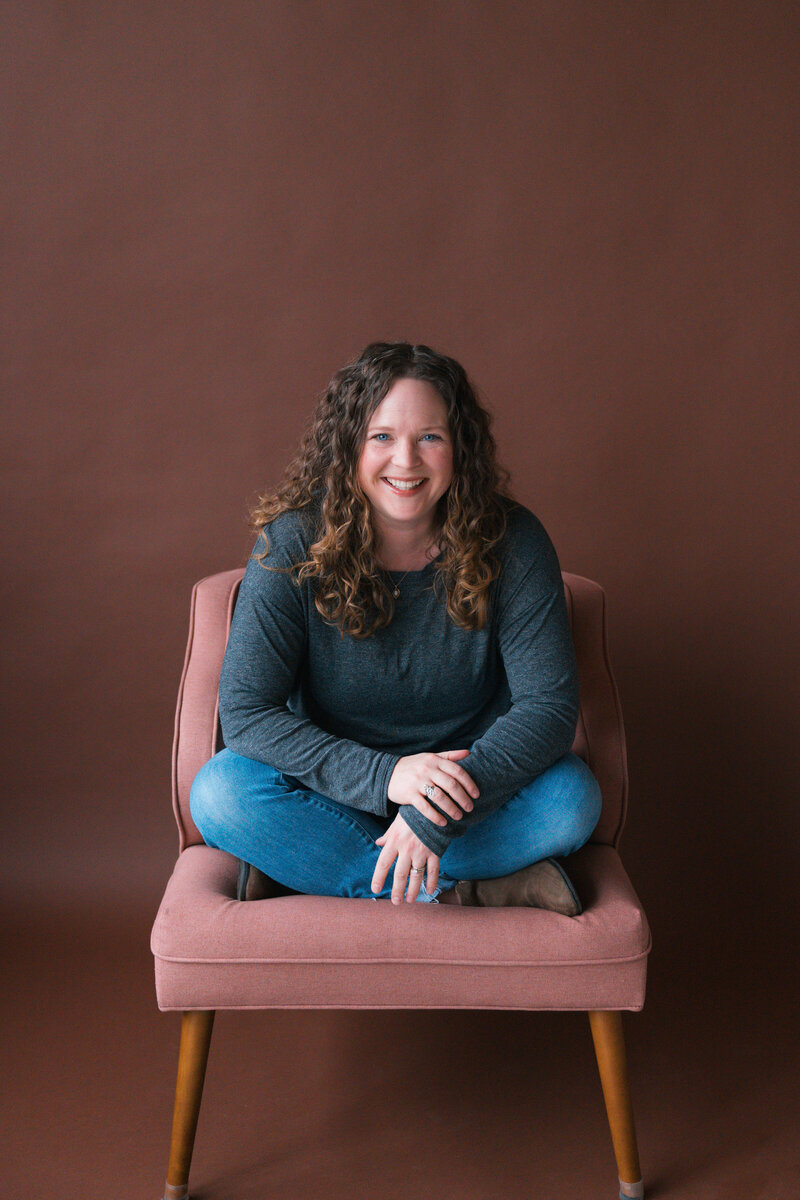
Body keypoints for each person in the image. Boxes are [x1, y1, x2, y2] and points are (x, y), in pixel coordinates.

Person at [189, 341, 602, 912]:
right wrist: (387, 776)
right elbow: (244, 711)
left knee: (570, 800)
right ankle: (464, 890)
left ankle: (317, 871)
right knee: (220, 794)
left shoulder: (515, 541)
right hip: (329, 795)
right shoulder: (291, 543)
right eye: (381, 436)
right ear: (347, 447)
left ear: (460, 448)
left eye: (430, 437)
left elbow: (548, 710)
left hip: (468, 797)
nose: (405, 461)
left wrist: (430, 815)